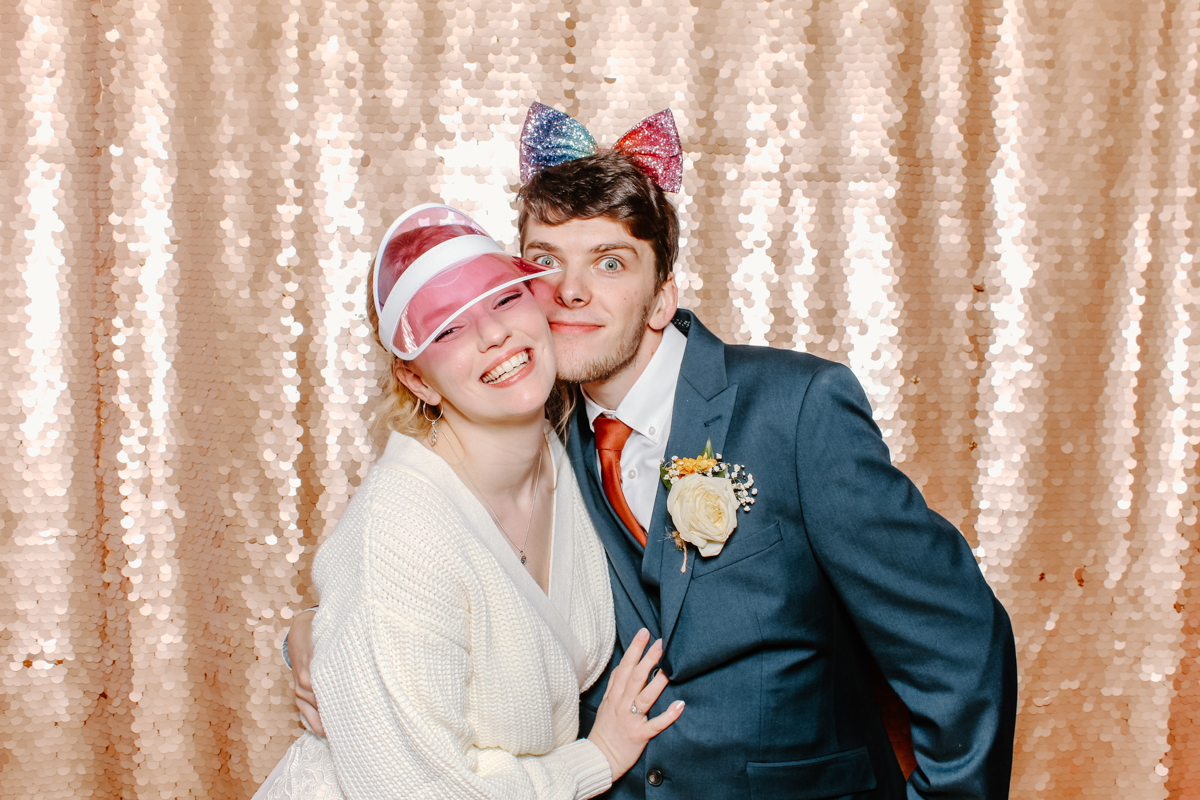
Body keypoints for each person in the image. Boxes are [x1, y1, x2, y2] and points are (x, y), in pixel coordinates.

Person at [288, 104, 1018, 798]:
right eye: (545, 263)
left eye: (609, 263)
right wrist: (310, 645)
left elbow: (959, 647)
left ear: (662, 296)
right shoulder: (527, 436)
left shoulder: (795, 411)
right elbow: (401, 574)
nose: (569, 292)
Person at [256, 203, 683, 800]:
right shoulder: (402, 529)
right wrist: (597, 759)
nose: (493, 334)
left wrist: (313, 629)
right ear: (417, 380)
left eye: (504, 299)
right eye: (448, 329)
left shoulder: (568, 457)